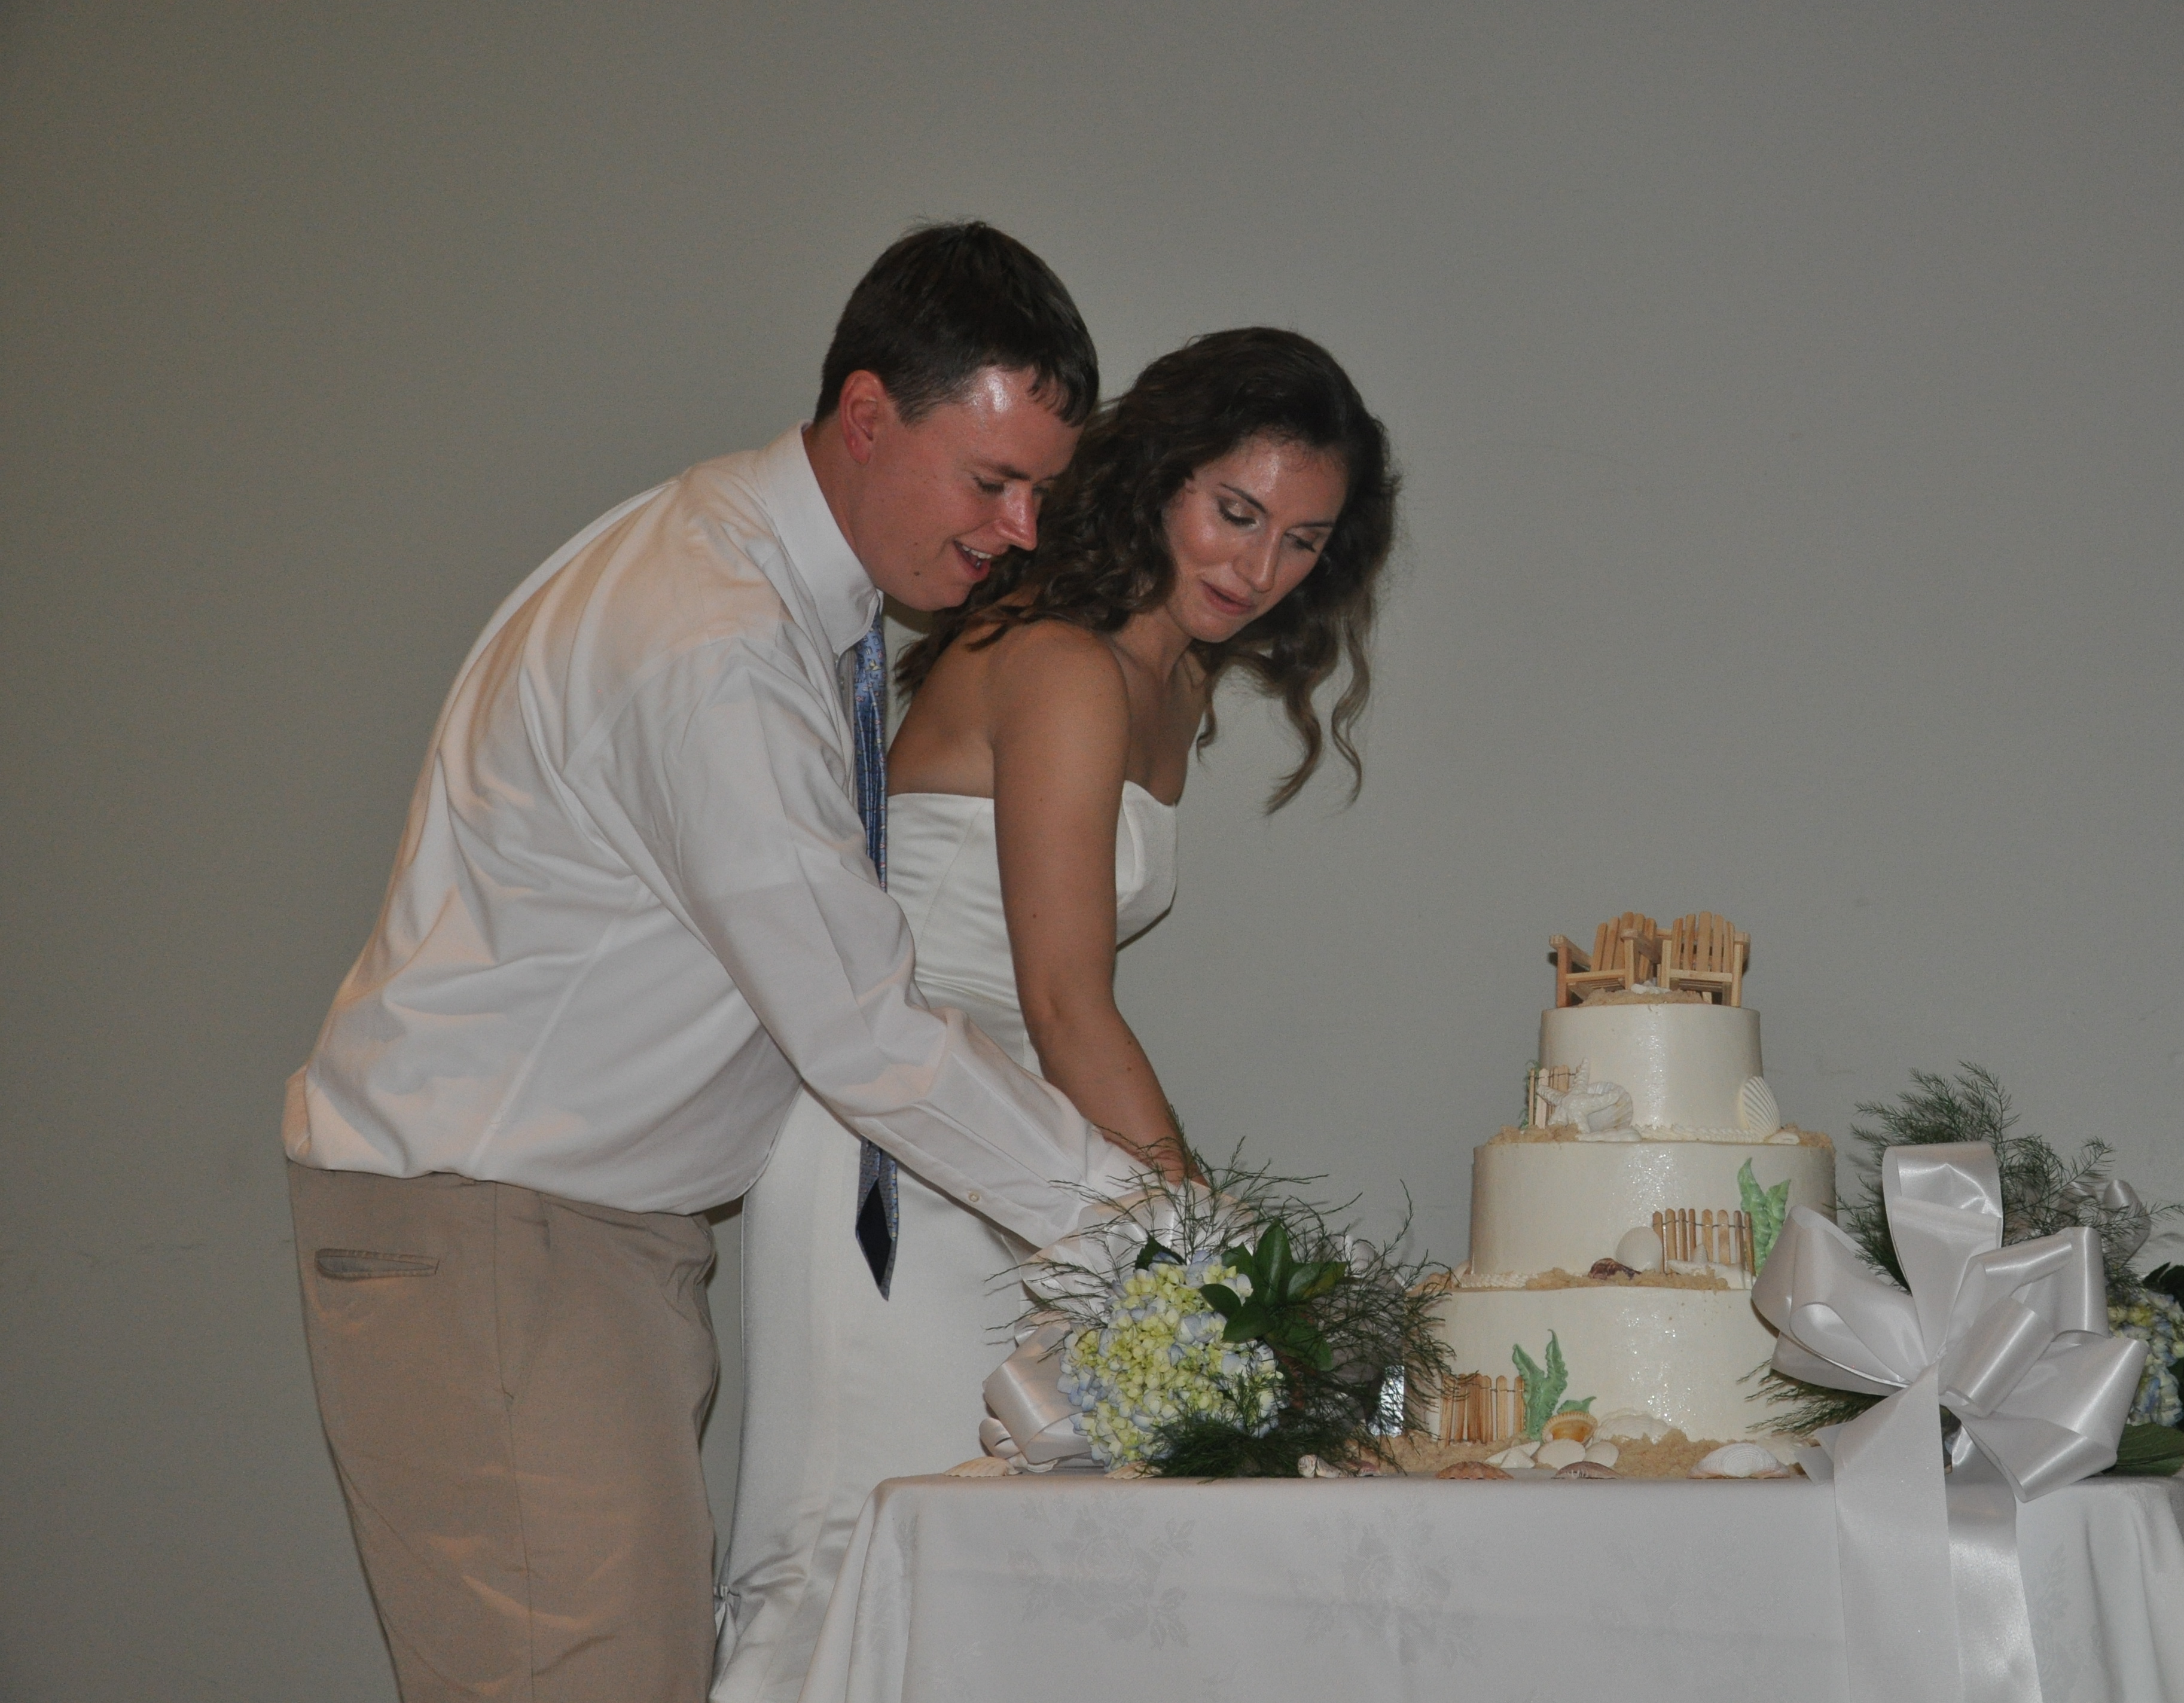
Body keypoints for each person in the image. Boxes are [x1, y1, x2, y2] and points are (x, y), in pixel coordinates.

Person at [281, 223, 1173, 1703]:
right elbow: (858, 1028)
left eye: (1040, 491)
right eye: (990, 481)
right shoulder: (711, 634)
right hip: (499, 1224)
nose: (1021, 529)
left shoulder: (766, 582)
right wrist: (1139, 1230)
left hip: (572, 1232)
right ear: (867, 414)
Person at [715, 327, 1398, 1701]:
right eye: (1235, 511)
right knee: (852, 1538)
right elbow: (1064, 998)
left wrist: (1153, 1222)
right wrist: (1200, 1250)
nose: (1257, 568)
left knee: (981, 1563)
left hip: (1020, 1132)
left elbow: (1060, 1015)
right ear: (1159, 474)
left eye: (1302, 541)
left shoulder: (1175, 674)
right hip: (894, 1132)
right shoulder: (1067, 662)